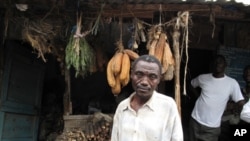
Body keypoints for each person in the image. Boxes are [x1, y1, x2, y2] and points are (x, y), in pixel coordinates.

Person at [110, 55, 183, 141]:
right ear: (132, 75)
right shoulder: (122, 107)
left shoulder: (168, 106)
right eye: (139, 74)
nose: (144, 82)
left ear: (159, 79)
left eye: (152, 76)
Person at [189, 54, 245, 141]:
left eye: (220, 62)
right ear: (212, 65)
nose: (217, 64)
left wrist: (233, 109)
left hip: (212, 129)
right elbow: (191, 85)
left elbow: (240, 102)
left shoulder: (232, 83)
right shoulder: (203, 78)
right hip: (195, 121)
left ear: (225, 65)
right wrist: (197, 97)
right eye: (215, 62)